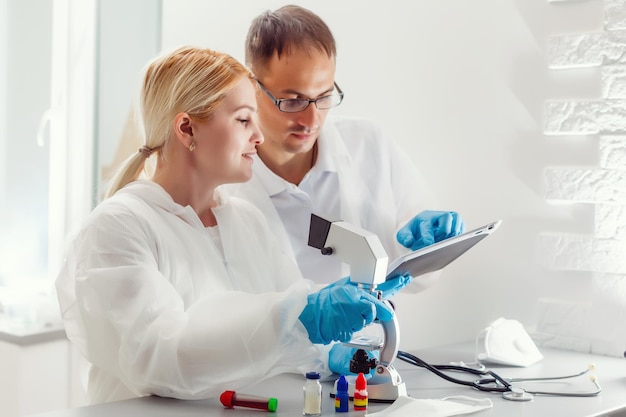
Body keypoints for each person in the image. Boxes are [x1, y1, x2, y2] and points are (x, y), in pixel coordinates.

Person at [55, 46, 394, 404]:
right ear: (187, 128)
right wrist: (298, 315)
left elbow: (288, 329)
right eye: (244, 120)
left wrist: (329, 349)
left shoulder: (246, 219)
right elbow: (161, 359)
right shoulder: (118, 228)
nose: (259, 138)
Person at [222, 4, 465, 290]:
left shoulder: (368, 144)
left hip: (378, 335)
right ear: (252, 86)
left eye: (324, 96)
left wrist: (423, 245)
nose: (312, 120)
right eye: (294, 101)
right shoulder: (223, 182)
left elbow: (420, 276)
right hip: (277, 337)